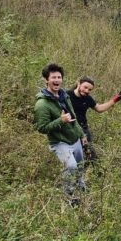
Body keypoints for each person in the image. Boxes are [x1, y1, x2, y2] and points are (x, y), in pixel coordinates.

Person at [34, 63, 86, 205]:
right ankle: (68, 197)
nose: (56, 80)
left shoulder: (64, 95)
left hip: (74, 139)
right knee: (71, 167)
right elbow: (42, 128)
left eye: (59, 77)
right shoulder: (42, 104)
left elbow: (73, 116)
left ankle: (82, 191)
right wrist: (60, 120)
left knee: (80, 166)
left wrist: (81, 134)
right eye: (53, 77)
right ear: (47, 80)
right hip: (60, 142)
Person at [67, 76, 121, 163]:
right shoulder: (67, 95)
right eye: (85, 87)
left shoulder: (87, 98)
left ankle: (92, 172)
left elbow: (99, 108)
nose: (86, 91)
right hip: (69, 130)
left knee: (90, 154)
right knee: (73, 156)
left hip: (84, 129)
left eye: (89, 90)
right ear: (79, 84)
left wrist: (114, 100)